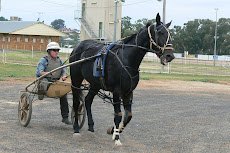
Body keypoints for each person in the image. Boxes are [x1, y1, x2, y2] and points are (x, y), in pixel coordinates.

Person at [36, 42, 72, 125]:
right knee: (43, 82)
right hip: (45, 80)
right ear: (49, 51)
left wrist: (64, 76)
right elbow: (39, 72)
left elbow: (64, 71)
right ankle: (41, 92)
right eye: (54, 50)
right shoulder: (44, 60)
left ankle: (65, 117)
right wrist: (48, 73)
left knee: (64, 94)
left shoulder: (60, 60)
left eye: (57, 50)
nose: (56, 52)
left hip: (55, 81)